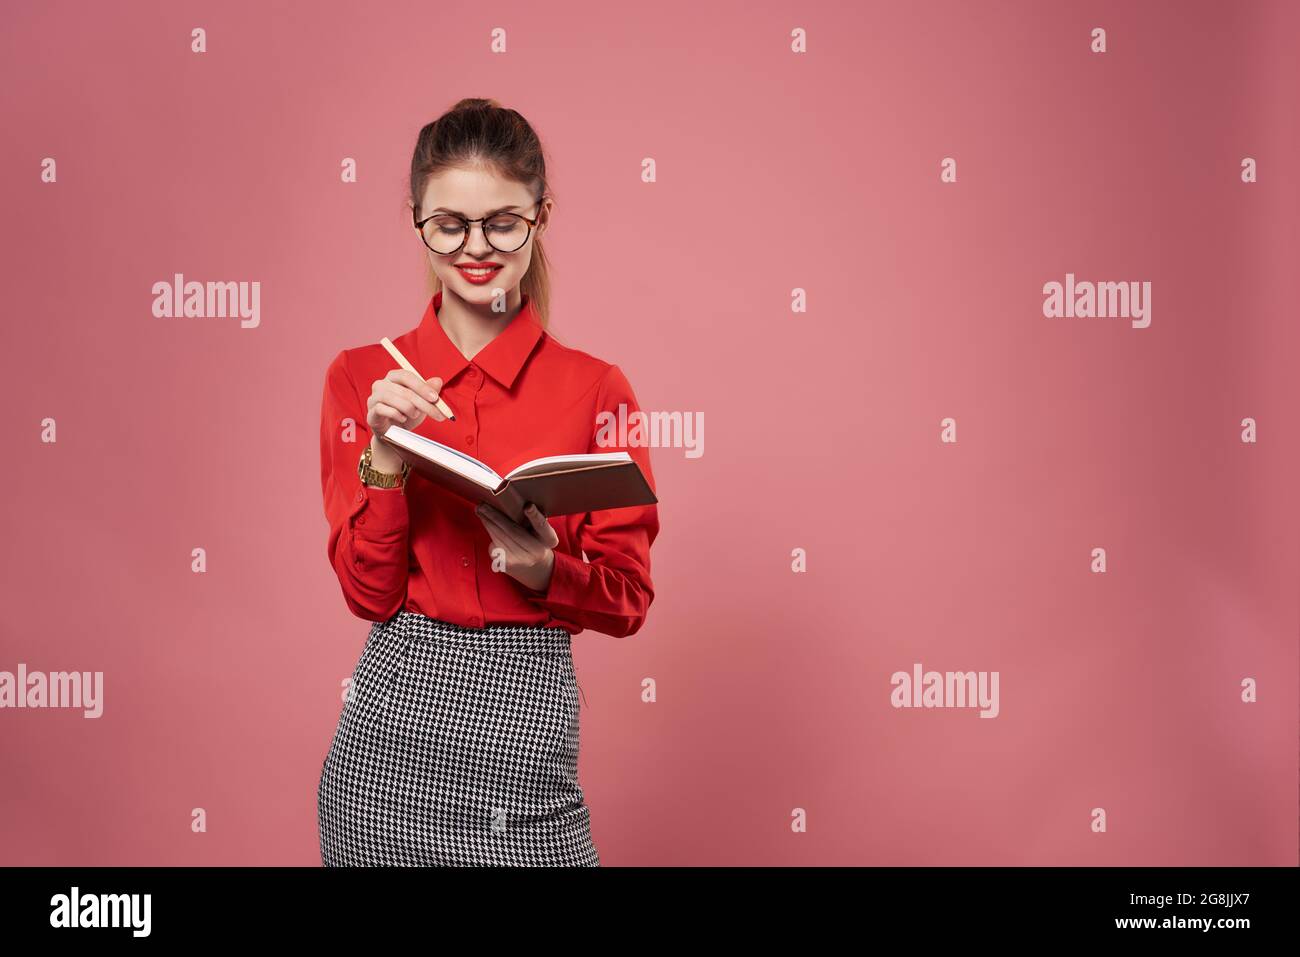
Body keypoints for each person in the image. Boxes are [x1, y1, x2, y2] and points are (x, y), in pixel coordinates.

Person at [315, 98, 660, 866]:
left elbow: (630, 596)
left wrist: (547, 571)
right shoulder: (362, 378)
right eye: (449, 223)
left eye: (503, 221)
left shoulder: (598, 388)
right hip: (386, 758)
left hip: (529, 746)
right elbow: (369, 596)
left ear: (541, 215)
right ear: (416, 219)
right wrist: (386, 455)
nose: (477, 248)